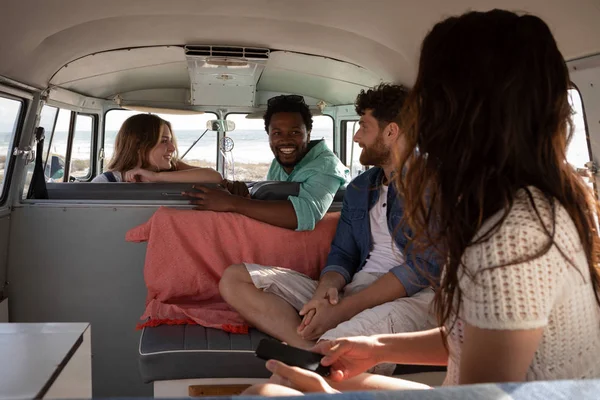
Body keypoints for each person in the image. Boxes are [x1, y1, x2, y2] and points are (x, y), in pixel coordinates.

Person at [243, 9, 600, 396]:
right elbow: (475, 337)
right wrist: (376, 347)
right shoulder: (527, 204)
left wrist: (326, 393)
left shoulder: (511, 233)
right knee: (298, 378)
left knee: (272, 391)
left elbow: (486, 394)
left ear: (458, 108)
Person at [219, 84, 441, 368]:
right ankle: (305, 349)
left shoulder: (431, 184)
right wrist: (325, 293)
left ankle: (314, 357)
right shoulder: (362, 187)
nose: (357, 136)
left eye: (363, 126)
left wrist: (342, 311)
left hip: (415, 299)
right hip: (357, 288)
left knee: (331, 356)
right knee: (236, 278)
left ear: (391, 132)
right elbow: (343, 253)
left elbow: (422, 269)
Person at [184, 95, 350, 231]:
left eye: (295, 132)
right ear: (269, 135)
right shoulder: (278, 163)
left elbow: (305, 215)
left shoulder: (327, 166)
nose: (285, 140)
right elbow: (272, 204)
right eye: (277, 133)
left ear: (308, 133)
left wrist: (232, 202)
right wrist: (246, 196)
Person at [92, 113, 222, 183]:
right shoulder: (108, 181)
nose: (172, 148)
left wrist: (156, 177)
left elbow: (215, 176)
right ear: (138, 145)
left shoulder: (175, 169)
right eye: (164, 141)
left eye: (170, 141)